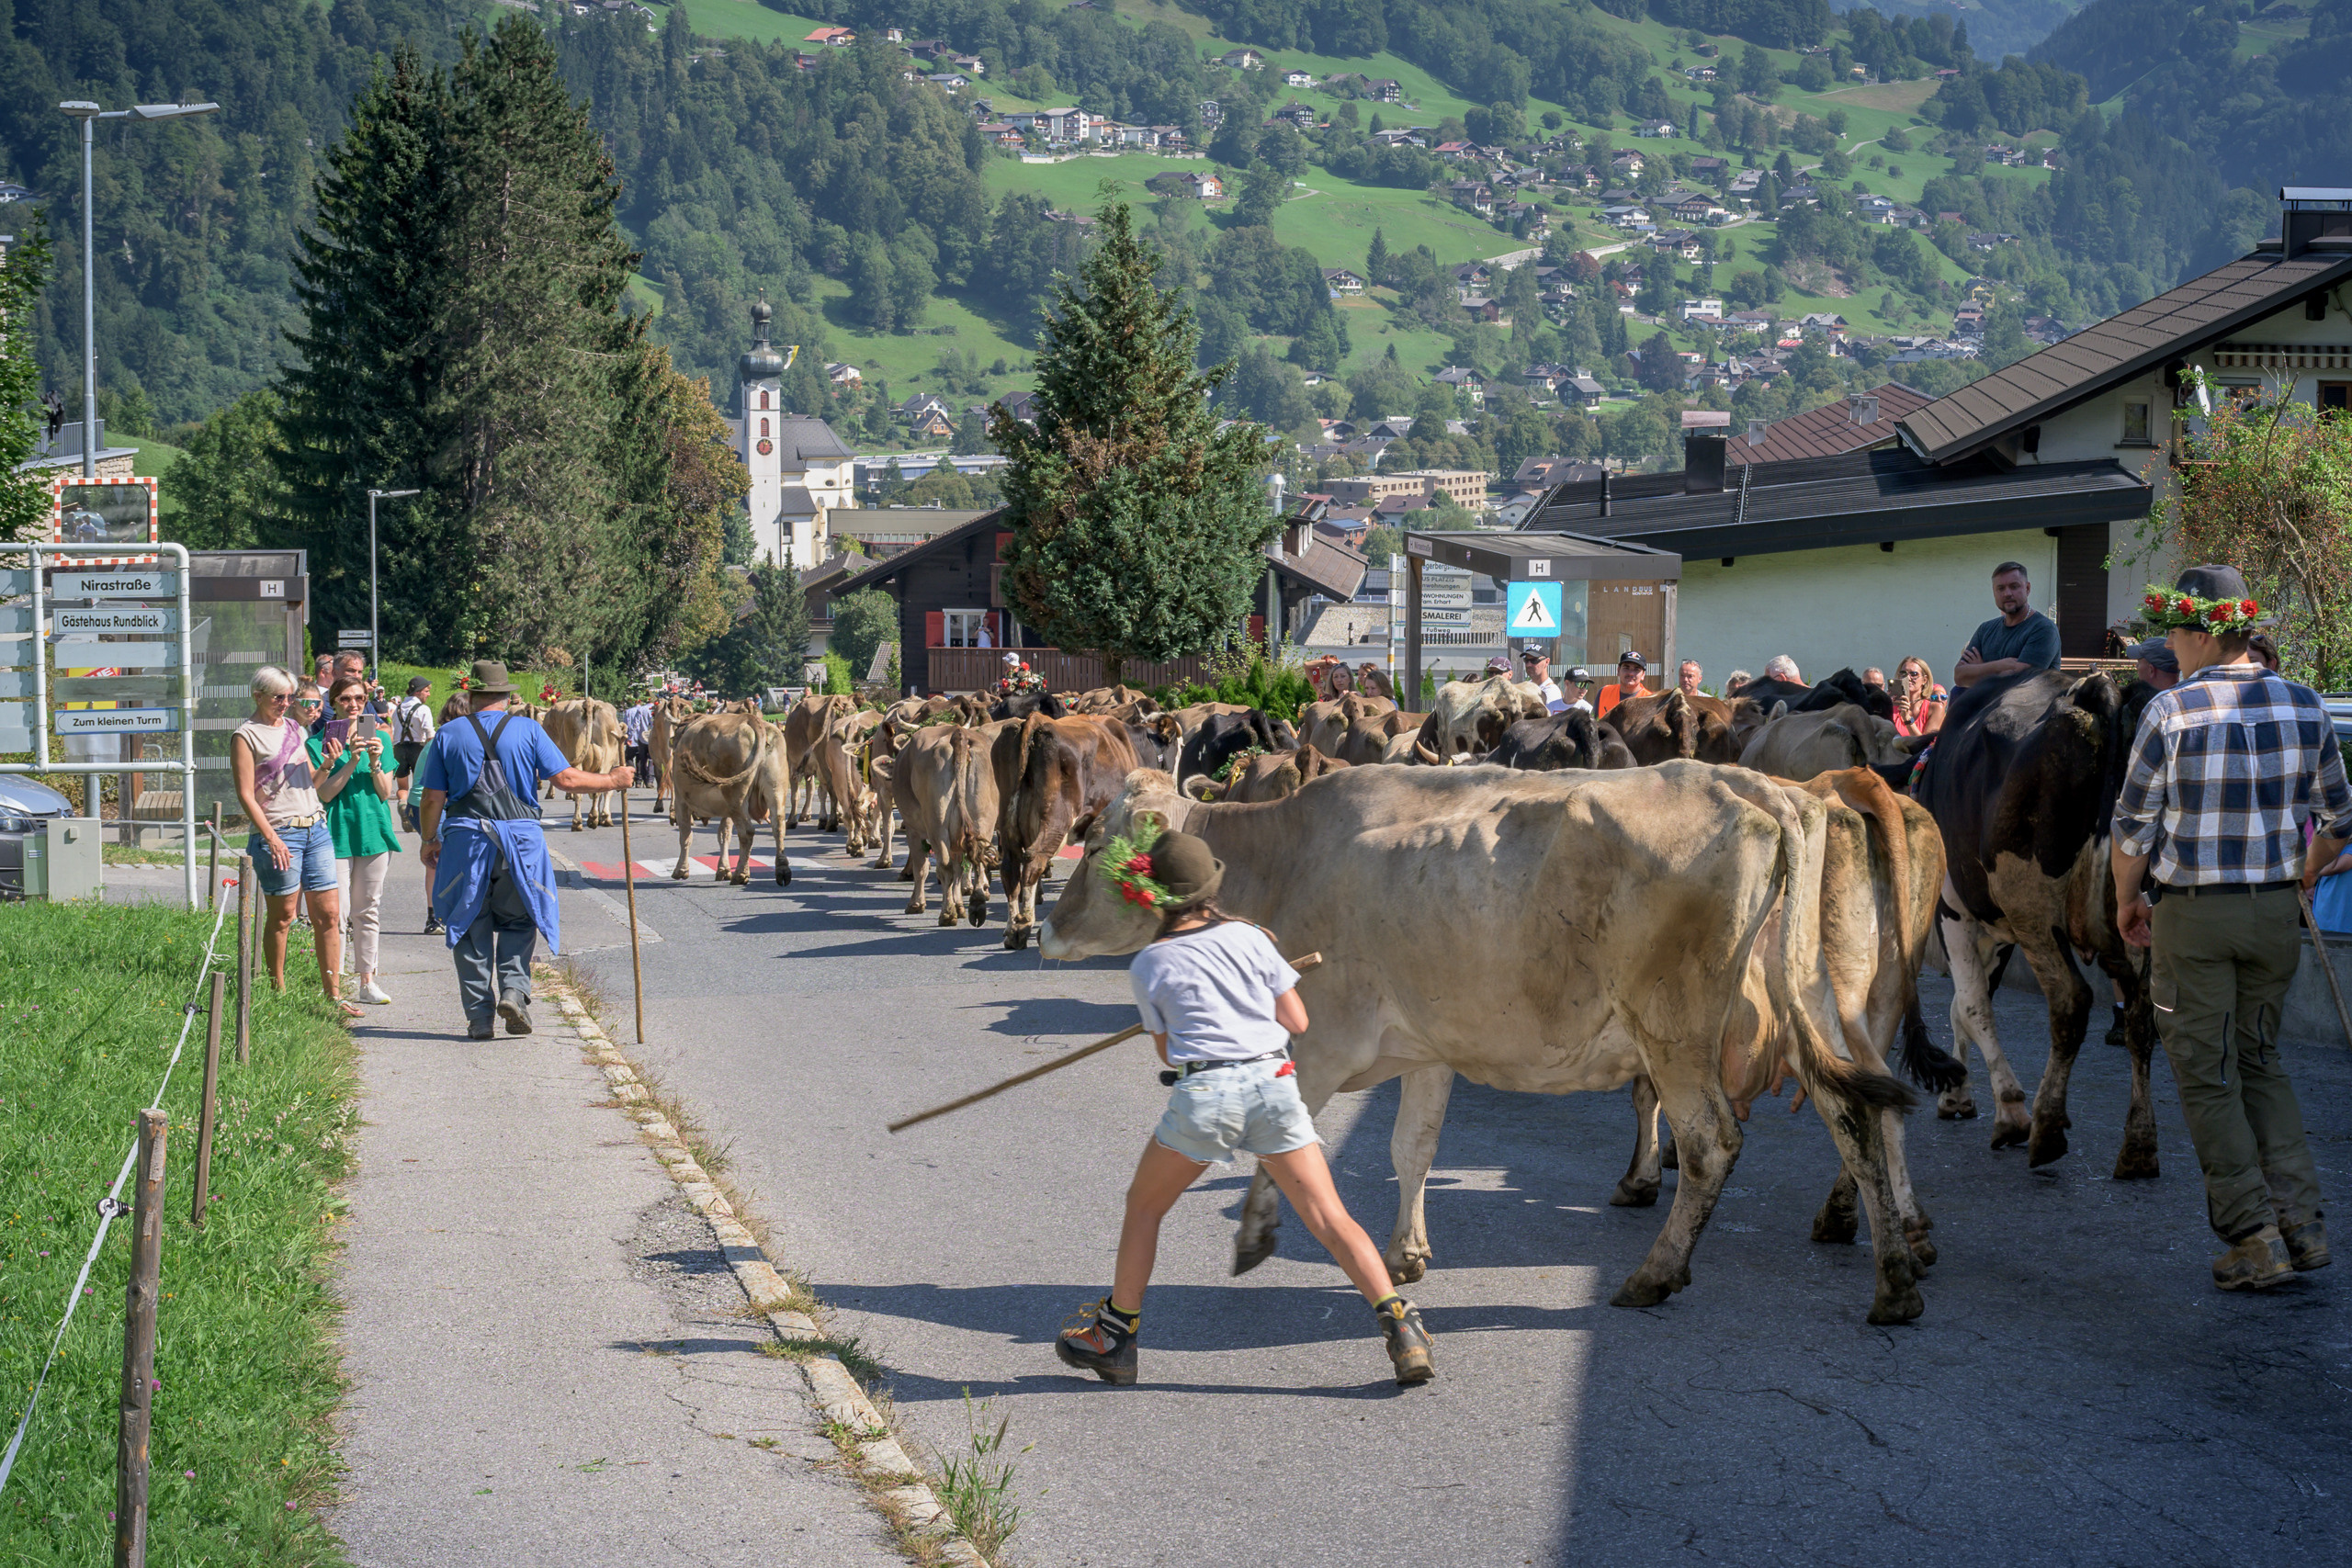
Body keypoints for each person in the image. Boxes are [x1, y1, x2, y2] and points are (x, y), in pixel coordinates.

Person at [1052, 829, 1436, 1388]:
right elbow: (1298, 1022)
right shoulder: (1253, 938)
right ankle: (1402, 1328)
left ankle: (1115, 1336)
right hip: (1274, 1086)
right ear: (1212, 885)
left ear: (1156, 895)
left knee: (1144, 1208)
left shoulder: (1150, 964)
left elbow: (1168, 1049)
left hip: (1208, 1096)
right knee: (1331, 1219)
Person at [2112, 566, 2350, 1291]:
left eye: (2174, 636)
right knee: (2260, 1059)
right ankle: (2303, 1225)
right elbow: (2339, 820)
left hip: (2195, 913)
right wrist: (2304, 873)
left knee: (2206, 1072)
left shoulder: (2171, 711)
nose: (2171, 649)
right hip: (2276, 908)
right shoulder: (2306, 703)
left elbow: (2130, 830)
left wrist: (2128, 901)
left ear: (2198, 633)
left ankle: (2252, 1236)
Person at [416, 660, 633, 1040]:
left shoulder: (448, 734)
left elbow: (433, 797)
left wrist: (429, 838)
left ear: (471, 695)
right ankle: (514, 991)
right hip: (521, 843)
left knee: (469, 927)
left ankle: (479, 1018)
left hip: (467, 843)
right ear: (504, 695)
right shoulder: (529, 729)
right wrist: (612, 779)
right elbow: (565, 780)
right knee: (519, 920)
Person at [231, 667, 357, 1020]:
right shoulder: (245, 736)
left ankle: (333, 995)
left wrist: (329, 764)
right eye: (278, 697)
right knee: (284, 916)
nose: (286, 704)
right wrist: (271, 839)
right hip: (279, 832)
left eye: (290, 697)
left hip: (315, 827)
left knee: (330, 915)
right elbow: (245, 795)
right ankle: (277, 992)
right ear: (258, 695)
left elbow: (310, 785)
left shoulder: (294, 728)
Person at [312, 676, 401, 1006]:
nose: (353, 705)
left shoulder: (380, 739)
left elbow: (385, 791)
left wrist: (375, 761)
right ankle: (334, 989)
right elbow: (323, 794)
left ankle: (367, 981)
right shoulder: (320, 743)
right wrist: (350, 759)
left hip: (373, 833)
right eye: (346, 699)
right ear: (333, 703)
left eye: (360, 699)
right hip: (334, 835)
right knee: (336, 915)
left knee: (368, 910)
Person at [1954, 560, 2062, 687]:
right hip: (1986, 707)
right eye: (2001, 588)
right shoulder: (1985, 629)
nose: (2007, 593)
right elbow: (1959, 676)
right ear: (1994, 592)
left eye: (2014, 586)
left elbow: (2019, 683)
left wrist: (1980, 668)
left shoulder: (2043, 629)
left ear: (2027, 588)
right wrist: (2001, 666)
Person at [392, 676, 437, 829]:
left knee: (403, 788)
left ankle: (403, 804)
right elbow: (430, 734)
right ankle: (419, 817)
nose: (429, 694)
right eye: (427, 691)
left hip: (399, 749)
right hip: (418, 749)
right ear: (418, 692)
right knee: (420, 787)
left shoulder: (397, 708)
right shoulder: (423, 709)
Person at [1891, 656, 1946, 738]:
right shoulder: (1891, 707)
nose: (1908, 678)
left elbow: (1926, 745)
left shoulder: (1935, 708)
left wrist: (1907, 719)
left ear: (1924, 680)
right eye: (1903, 673)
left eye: (1914, 674)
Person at [1595, 653, 1652, 719]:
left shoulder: (1649, 700)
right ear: (1618, 670)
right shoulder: (1604, 692)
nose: (1630, 673)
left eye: (1636, 670)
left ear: (1643, 675)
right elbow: (1593, 722)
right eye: (1626, 668)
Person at [623, 695, 655, 786]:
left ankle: (639, 779)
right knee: (651, 759)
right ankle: (650, 780)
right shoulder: (656, 709)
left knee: (641, 759)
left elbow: (635, 724)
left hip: (641, 737)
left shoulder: (640, 710)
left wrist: (630, 737)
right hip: (653, 738)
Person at [1519, 645, 1562, 709]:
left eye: (1534, 660)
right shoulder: (1526, 686)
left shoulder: (1551, 691)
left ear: (1546, 662)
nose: (1528, 665)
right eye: (1526, 660)